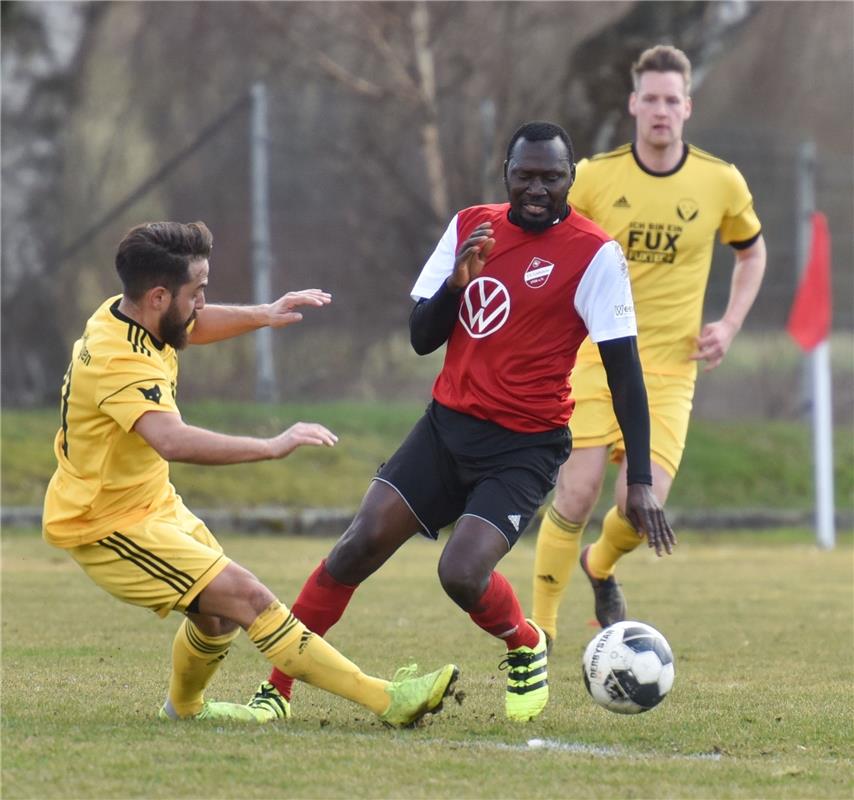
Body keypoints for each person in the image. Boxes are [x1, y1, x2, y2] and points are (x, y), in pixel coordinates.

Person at [251, 121, 674, 724]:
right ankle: (277, 690)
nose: (536, 188)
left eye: (550, 177)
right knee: (356, 547)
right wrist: (456, 285)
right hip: (446, 429)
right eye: (525, 175)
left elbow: (625, 374)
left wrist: (637, 482)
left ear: (570, 179)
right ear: (506, 174)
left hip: (525, 446)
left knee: (461, 572)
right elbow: (422, 337)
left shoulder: (595, 254)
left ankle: (524, 641)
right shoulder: (469, 226)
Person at [42, 221, 458, 726]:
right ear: (157, 296)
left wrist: (265, 314)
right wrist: (271, 445)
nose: (202, 303)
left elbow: (191, 326)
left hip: (151, 503)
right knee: (249, 597)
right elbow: (172, 439)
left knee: (216, 620)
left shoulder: (132, 313)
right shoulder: (118, 359)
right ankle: (388, 700)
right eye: (197, 292)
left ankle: (183, 711)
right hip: (107, 523)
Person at [532, 45, 767, 643]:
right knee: (578, 490)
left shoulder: (720, 182)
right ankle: (541, 633)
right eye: (651, 99)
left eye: (672, 100)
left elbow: (752, 251)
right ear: (634, 104)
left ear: (687, 107)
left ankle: (600, 563)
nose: (661, 111)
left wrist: (731, 324)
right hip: (595, 359)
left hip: (670, 370)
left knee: (642, 508)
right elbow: (546, 238)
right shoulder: (595, 176)